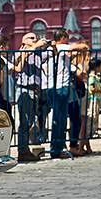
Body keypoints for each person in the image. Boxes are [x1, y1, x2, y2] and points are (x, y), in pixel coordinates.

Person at [12, 32, 49, 161]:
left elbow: (50, 57)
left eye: (35, 38)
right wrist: (34, 47)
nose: (35, 39)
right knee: (25, 121)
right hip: (24, 90)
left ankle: (26, 149)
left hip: (36, 91)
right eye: (31, 38)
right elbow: (18, 64)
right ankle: (22, 151)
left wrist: (51, 45)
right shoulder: (20, 52)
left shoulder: (38, 53)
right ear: (24, 41)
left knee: (31, 122)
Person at [47, 28, 74, 159]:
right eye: (68, 37)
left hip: (51, 86)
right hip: (60, 86)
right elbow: (84, 45)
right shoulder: (62, 47)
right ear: (63, 38)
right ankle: (56, 149)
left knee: (58, 118)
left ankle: (58, 146)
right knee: (60, 118)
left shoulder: (50, 48)